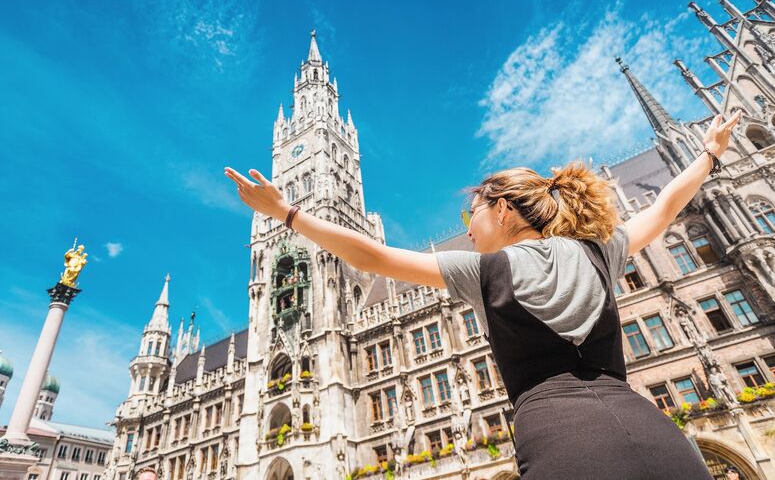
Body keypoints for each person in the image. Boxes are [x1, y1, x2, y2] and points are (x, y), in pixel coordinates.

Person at [224, 110, 741, 478]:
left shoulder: (485, 271)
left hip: (565, 448)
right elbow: (664, 208)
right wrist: (709, 155)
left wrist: (285, 212)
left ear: (505, 211)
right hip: (663, 441)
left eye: (473, 215)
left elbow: (370, 257)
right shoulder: (599, 250)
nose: (468, 228)